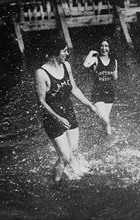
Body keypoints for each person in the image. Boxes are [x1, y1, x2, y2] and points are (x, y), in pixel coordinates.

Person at [35, 36, 97, 181]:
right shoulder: (41, 73)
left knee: (73, 150)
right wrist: (58, 118)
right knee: (64, 156)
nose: (67, 54)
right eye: (64, 51)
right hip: (52, 118)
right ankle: (55, 182)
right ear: (55, 52)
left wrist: (90, 105)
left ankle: (75, 174)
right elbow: (41, 101)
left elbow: (74, 89)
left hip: (68, 113)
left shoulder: (66, 66)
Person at [83, 36, 118, 135]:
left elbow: (115, 77)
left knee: (104, 122)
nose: (104, 48)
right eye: (102, 46)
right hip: (97, 93)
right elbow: (85, 65)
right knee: (106, 121)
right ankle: (110, 141)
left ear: (110, 47)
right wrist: (91, 53)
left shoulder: (114, 60)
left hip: (110, 94)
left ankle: (102, 142)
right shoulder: (95, 59)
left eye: (106, 46)